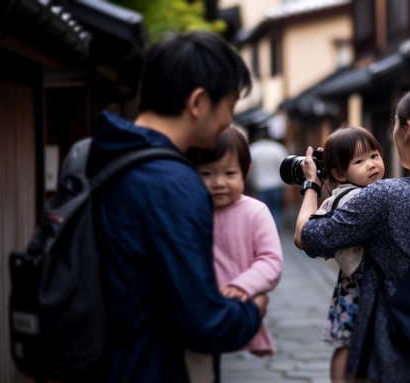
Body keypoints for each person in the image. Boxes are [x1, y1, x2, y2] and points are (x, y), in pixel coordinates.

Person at [88, 32, 268, 383]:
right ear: (199, 102)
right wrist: (253, 309)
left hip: (98, 359)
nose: (229, 120)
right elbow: (205, 322)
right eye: (229, 106)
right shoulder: (174, 183)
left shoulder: (97, 152)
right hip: (146, 366)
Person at [293, 83, 410, 383]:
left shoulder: (385, 195)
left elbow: (308, 237)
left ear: (407, 129)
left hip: (388, 355)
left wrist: (312, 186)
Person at [184, 126, 284, 382]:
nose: (218, 182)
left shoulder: (255, 211)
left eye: (229, 173)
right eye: (206, 173)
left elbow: (270, 260)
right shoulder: (189, 209)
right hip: (194, 310)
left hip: (234, 304)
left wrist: (243, 286)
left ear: (246, 170)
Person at [313, 126, 385, 383]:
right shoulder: (358, 198)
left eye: (374, 156)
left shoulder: (335, 197)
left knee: (345, 340)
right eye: (359, 161)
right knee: (350, 342)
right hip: (361, 285)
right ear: (339, 173)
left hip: (348, 284)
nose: (371, 165)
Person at [248, 127, 288, 229]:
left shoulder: (253, 149)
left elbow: (250, 170)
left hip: (260, 186)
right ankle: (275, 232)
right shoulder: (278, 148)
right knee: (276, 211)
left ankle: (266, 233)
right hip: (276, 185)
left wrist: (252, 183)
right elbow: (285, 167)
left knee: (263, 213)